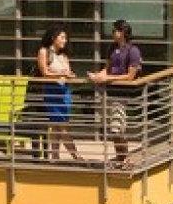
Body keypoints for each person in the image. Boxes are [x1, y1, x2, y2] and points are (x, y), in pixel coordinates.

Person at [88, 19, 142, 166]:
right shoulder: (112, 48)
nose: (113, 33)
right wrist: (98, 75)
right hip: (109, 93)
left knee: (117, 128)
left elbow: (130, 76)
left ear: (123, 32)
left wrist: (107, 78)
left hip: (122, 94)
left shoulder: (133, 51)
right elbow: (108, 68)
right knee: (112, 130)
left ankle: (125, 157)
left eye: (115, 30)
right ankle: (120, 158)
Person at [36, 24, 82, 162]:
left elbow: (67, 71)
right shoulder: (44, 51)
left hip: (65, 92)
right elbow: (44, 73)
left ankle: (54, 156)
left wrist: (70, 75)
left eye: (65, 38)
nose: (64, 40)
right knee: (62, 127)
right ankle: (76, 155)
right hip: (52, 92)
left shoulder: (63, 55)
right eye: (62, 37)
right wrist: (60, 73)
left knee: (57, 125)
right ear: (53, 38)